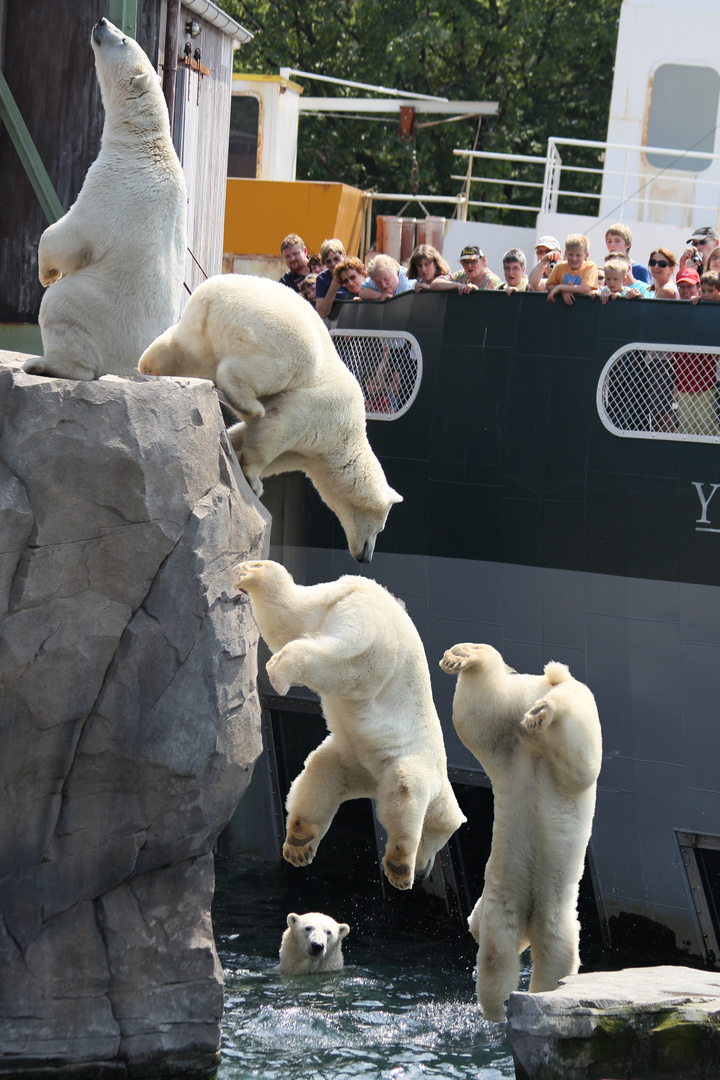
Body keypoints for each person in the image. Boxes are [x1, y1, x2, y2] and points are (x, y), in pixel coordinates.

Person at [545, 234, 598, 305]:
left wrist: (560, 287)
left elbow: (585, 289)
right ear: (566, 253)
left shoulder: (590, 267)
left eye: (578, 255)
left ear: (586, 255)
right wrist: (563, 292)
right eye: (570, 254)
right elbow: (549, 285)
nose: (574, 258)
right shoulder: (560, 266)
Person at [430, 245, 502, 293]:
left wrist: (476, 293)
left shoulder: (492, 281)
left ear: (483, 261)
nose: (469, 266)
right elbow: (434, 284)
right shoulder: (462, 275)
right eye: (465, 262)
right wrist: (458, 285)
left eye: (473, 261)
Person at [314, 239, 349, 318]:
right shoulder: (322, 279)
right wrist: (334, 284)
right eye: (328, 261)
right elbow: (321, 313)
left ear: (344, 254)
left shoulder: (355, 272)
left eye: (336, 259)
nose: (333, 264)